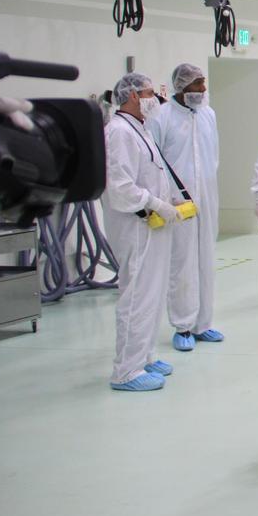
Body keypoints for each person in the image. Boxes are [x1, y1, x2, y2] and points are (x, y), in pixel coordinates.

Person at [102, 73, 182, 391]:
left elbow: (150, 174)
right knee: (136, 295)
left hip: (152, 224)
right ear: (133, 95)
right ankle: (126, 371)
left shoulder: (141, 129)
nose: (155, 99)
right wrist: (156, 203)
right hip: (135, 225)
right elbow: (120, 187)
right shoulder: (119, 132)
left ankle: (145, 356)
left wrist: (169, 199)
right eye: (150, 93)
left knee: (152, 293)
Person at [147, 62, 223, 351]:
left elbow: (213, 156)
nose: (202, 89)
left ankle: (204, 323)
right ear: (181, 86)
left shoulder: (208, 114)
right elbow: (154, 161)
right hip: (177, 202)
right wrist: (165, 199)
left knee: (206, 259)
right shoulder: (161, 116)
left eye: (203, 83)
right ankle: (183, 325)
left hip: (207, 196)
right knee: (182, 262)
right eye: (197, 84)